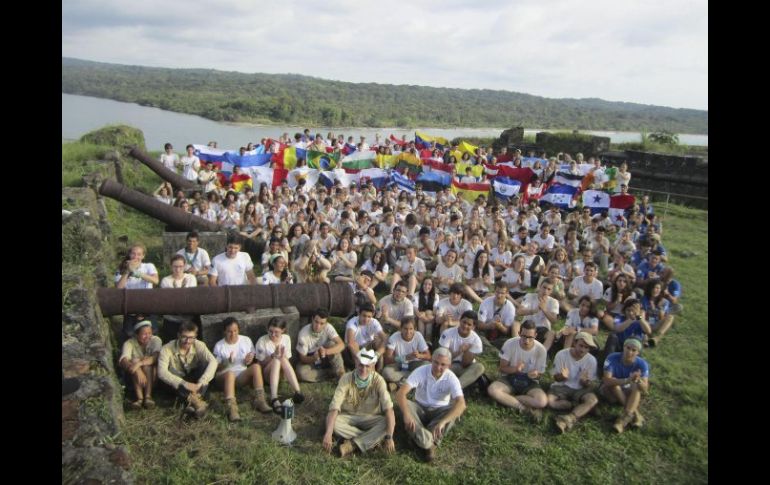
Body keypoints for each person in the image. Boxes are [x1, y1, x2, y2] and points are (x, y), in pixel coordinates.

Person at [395, 348, 467, 462]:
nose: (438, 367)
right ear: (431, 361)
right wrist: (407, 415)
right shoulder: (421, 371)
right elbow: (400, 394)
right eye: (436, 362)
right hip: (419, 407)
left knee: (455, 411)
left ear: (449, 365)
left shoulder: (451, 378)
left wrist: (443, 422)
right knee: (405, 406)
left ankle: (420, 438)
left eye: (443, 364)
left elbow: (461, 404)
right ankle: (430, 444)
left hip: (439, 410)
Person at [322, 349, 396, 457]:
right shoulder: (346, 378)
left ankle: (352, 444)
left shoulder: (379, 381)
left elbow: (389, 409)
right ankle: (372, 441)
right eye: (361, 365)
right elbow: (334, 408)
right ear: (356, 363)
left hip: (370, 417)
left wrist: (389, 437)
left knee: (386, 423)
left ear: (373, 365)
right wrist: (328, 434)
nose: (364, 369)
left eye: (367, 366)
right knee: (334, 424)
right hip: (348, 416)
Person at [486, 320, 547, 421]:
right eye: (524, 336)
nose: (526, 340)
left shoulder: (541, 350)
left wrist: (536, 374)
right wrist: (515, 369)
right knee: (492, 390)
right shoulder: (510, 344)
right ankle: (523, 408)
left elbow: (540, 374)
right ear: (519, 333)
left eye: (530, 337)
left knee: (542, 402)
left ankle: (509, 399)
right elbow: (502, 368)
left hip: (529, 381)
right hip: (510, 378)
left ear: (535, 335)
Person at [212, 317, 272, 419]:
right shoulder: (219, 346)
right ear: (224, 332)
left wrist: (249, 358)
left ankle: (260, 400)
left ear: (238, 330)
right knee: (230, 373)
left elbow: (252, 354)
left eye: (235, 331)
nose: (233, 334)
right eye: (229, 331)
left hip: (240, 376)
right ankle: (232, 408)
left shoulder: (246, 340)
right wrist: (227, 362)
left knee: (256, 367)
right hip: (223, 377)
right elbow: (215, 368)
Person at [157, 322, 218, 418]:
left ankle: (190, 403)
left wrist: (202, 382)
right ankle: (197, 402)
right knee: (168, 381)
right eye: (184, 337)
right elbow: (161, 372)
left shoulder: (199, 345)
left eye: (191, 338)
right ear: (178, 335)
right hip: (177, 381)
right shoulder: (166, 348)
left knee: (205, 366)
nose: (187, 341)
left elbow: (213, 362)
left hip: (194, 379)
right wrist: (184, 384)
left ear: (195, 337)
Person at [548, 332, 599, 433]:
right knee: (550, 402)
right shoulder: (561, 354)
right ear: (574, 343)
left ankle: (570, 417)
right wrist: (562, 376)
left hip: (580, 389)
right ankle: (577, 406)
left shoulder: (591, 360)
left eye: (586, 347)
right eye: (581, 345)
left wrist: (584, 382)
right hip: (561, 386)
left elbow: (590, 384)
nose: (583, 349)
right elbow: (555, 378)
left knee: (592, 399)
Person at [254, 317, 305, 413]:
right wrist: (273, 355)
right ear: (267, 329)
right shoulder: (262, 341)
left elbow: (287, 360)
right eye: (270, 331)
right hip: (267, 374)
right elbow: (260, 364)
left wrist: (280, 356)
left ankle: (297, 392)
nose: (273, 334)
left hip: (282, 374)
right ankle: (274, 398)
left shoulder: (286, 338)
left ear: (283, 330)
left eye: (276, 332)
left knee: (282, 358)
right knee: (278, 358)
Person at [600, 338, 650, 433]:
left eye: (633, 350)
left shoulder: (642, 364)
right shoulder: (612, 357)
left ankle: (623, 420)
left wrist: (638, 380)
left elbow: (645, 389)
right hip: (611, 393)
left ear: (638, 352)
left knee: (637, 385)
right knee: (614, 382)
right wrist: (627, 380)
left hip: (627, 392)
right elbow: (606, 381)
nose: (629, 352)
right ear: (623, 348)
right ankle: (635, 414)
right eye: (628, 348)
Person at [438, 311, 486, 390]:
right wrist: (459, 351)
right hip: (449, 365)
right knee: (439, 368)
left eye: (469, 324)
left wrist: (467, 351)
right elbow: (442, 358)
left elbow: (465, 364)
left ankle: (456, 389)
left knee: (479, 367)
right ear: (460, 321)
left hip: (465, 367)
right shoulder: (448, 333)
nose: (465, 326)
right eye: (464, 322)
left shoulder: (476, 340)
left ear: (473, 327)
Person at [119, 320, 161, 409]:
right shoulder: (129, 343)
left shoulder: (156, 340)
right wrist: (137, 369)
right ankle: (140, 398)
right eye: (144, 334)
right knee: (133, 362)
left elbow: (155, 357)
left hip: (153, 375)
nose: (148, 336)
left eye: (149, 333)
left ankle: (148, 396)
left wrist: (139, 364)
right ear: (136, 335)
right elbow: (123, 360)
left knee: (146, 364)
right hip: (134, 377)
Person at [295, 309, 346, 382]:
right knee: (301, 373)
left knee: (332, 345)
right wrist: (314, 358)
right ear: (312, 319)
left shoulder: (328, 327)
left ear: (326, 323)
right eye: (316, 322)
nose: (318, 326)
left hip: (326, 356)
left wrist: (326, 351)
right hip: (311, 359)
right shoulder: (303, 334)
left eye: (322, 323)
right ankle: (329, 373)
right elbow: (302, 358)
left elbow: (341, 345)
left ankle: (341, 375)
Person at [382, 316, 431, 390]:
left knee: (428, 366)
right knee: (386, 372)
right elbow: (387, 359)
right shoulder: (394, 337)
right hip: (399, 364)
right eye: (405, 329)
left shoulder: (418, 335)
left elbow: (428, 356)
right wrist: (406, 357)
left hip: (414, 363)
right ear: (401, 329)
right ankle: (412, 381)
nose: (408, 332)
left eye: (411, 329)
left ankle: (400, 383)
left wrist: (419, 355)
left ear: (415, 329)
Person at [516, 277, 559, 349]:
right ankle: (518, 346)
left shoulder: (554, 302)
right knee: (516, 324)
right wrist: (533, 311)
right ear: (539, 287)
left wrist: (544, 309)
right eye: (544, 287)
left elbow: (554, 320)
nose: (545, 291)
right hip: (527, 326)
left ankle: (543, 353)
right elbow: (519, 312)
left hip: (542, 329)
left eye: (549, 289)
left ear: (551, 291)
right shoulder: (529, 296)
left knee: (552, 333)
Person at [344, 303, 388, 371]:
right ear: (359, 314)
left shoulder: (374, 322)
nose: (366, 319)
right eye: (364, 316)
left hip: (368, 346)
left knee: (379, 342)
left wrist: (377, 354)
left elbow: (384, 338)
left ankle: (379, 371)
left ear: (372, 316)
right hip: (354, 349)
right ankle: (359, 367)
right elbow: (351, 342)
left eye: (369, 316)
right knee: (354, 344)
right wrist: (361, 358)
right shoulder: (352, 323)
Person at [476, 282, 516, 349]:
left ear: (506, 294)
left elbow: (507, 331)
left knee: (507, 341)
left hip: (500, 333)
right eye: (497, 292)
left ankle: (488, 346)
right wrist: (488, 326)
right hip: (486, 329)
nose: (499, 295)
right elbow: (479, 325)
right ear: (494, 291)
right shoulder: (486, 302)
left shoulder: (510, 307)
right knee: (477, 334)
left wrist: (500, 326)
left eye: (502, 293)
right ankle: (490, 346)